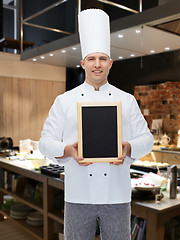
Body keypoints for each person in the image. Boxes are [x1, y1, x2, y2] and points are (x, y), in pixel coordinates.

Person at [39, 9, 153, 240]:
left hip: (117, 196)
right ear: (83, 63)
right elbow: (44, 143)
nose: (97, 64)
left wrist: (127, 148)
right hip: (78, 195)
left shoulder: (127, 100)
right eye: (91, 59)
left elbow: (147, 140)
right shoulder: (65, 100)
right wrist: (69, 150)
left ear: (110, 63)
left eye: (102, 59)